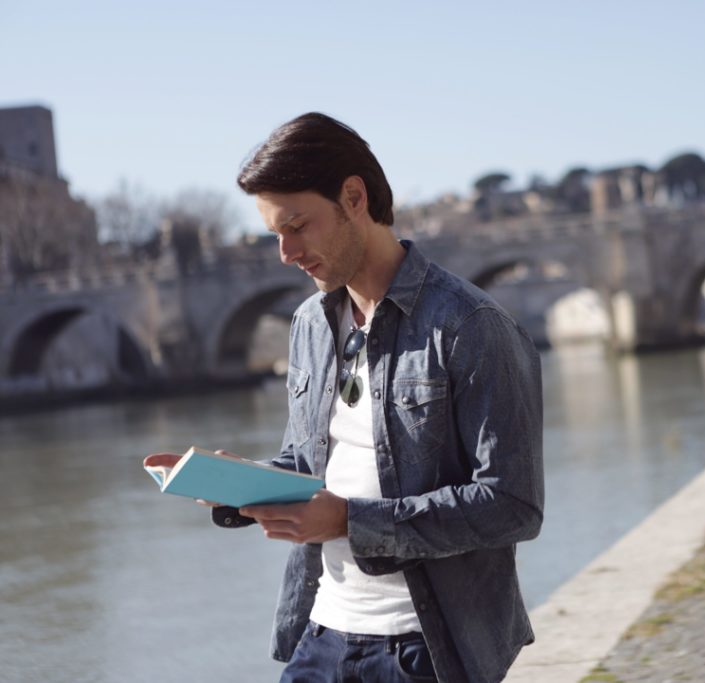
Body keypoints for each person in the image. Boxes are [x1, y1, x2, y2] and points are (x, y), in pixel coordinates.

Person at [144, 113, 544, 683]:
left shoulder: (470, 326)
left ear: (354, 197)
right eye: (274, 234)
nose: (284, 252)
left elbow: (514, 505)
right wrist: (238, 480)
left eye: (298, 225)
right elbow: (308, 468)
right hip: (321, 633)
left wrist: (353, 522)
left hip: (425, 649)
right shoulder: (308, 323)